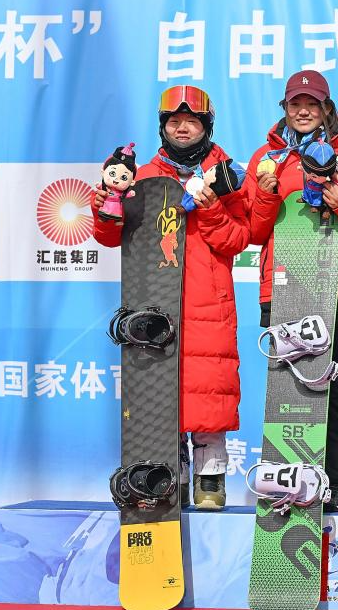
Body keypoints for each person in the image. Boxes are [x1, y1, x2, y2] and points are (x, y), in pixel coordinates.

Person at [92, 85, 249, 511]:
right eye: (174, 121)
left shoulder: (229, 176)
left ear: (206, 127)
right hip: (155, 298)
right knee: (161, 393)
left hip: (208, 299)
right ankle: (169, 479)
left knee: (209, 392)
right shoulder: (142, 177)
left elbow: (238, 239)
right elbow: (109, 237)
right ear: (162, 127)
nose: (182, 128)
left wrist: (211, 206)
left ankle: (210, 480)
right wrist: (105, 204)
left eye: (191, 121)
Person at [244, 69, 338, 512]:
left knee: (336, 389)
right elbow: (252, 232)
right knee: (288, 392)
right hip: (283, 286)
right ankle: (287, 481)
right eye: (295, 104)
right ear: (284, 109)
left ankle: (337, 482)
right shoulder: (267, 159)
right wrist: (266, 195)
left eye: (312, 103)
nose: (303, 111)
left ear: (327, 108)